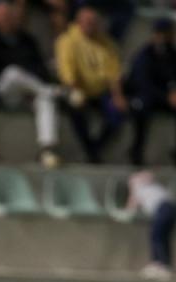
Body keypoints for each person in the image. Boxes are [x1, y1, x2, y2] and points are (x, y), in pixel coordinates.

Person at [0, 0, 61, 168]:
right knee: (13, 72)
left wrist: (31, 87)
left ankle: (47, 149)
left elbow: (40, 68)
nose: (5, 20)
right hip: (3, 93)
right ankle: (52, 91)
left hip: (28, 93)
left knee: (45, 100)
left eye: (8, 16)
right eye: (1, 17)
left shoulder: (27, 40)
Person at [56, 7, 126, 164]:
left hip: (101, 92)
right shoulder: (67, 41)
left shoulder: (107, 43)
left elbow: (114, 74)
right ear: (78, 22)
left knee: (117, 114)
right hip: (77, 89)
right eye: (88, 22)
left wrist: (118, 96)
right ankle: (89, 150)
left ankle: (95, 148)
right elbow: (67, 72)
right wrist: (76, 91)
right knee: (76, 107)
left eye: (94, 23)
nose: (91, 26)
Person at [126, 20, 176, 170]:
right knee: (141, 106)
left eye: (167, 34)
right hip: (148, 96)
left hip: (167, 98)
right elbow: (143, 84)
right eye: (161, 34)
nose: (164, 38)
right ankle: (137, 149)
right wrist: (166, 96)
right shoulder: (144, 55)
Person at [126, 171, 176, 280]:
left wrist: (126, 213)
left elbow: (132, 205)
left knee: (157, 236)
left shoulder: (142, 188)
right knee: (161, 237)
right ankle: (159, 264)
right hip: (171, 209)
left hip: (164, 208)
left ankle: (161, 265)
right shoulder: (153, 187)